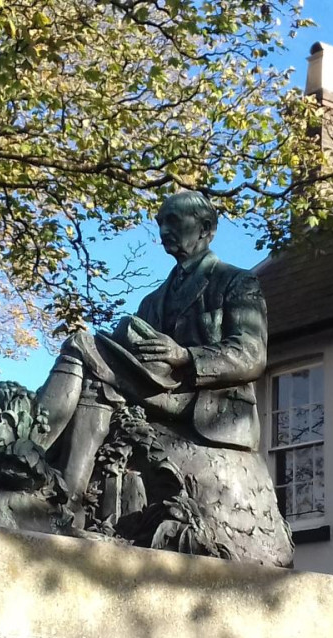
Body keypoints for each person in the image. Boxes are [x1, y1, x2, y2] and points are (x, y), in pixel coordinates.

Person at [34, 191, 268, 523]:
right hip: (157, 392)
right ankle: (57, 491)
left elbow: (251, 355)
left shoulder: (237, 282)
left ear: (206, 229)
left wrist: (186, 356)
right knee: (93, 371)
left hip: (206, 404)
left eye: (173, 220)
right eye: (160, 222)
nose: (163, 231)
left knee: (81, 345)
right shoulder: (152, 300)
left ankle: (29, 453)